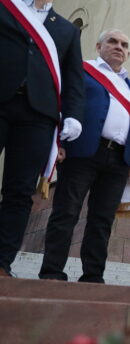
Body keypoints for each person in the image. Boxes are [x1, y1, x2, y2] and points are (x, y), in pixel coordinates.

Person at [38, 29, 130, 283]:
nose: (119, 47)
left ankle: (93, 275)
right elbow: (63, 104)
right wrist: (57, 141)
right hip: (82, 152)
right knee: (67, 212)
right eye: (113, 42)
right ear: (98, 46)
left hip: (118, 159)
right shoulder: (82, 70)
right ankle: (52, 271)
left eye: (124, 44)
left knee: (103, 220)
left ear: (128, 53)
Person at [0, 0, 85, 277]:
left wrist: (72, 115)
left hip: (39, 114)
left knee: (20, 190)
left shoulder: (67, 30)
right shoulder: (5, 8)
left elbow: (73, 78)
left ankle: (2, 262)